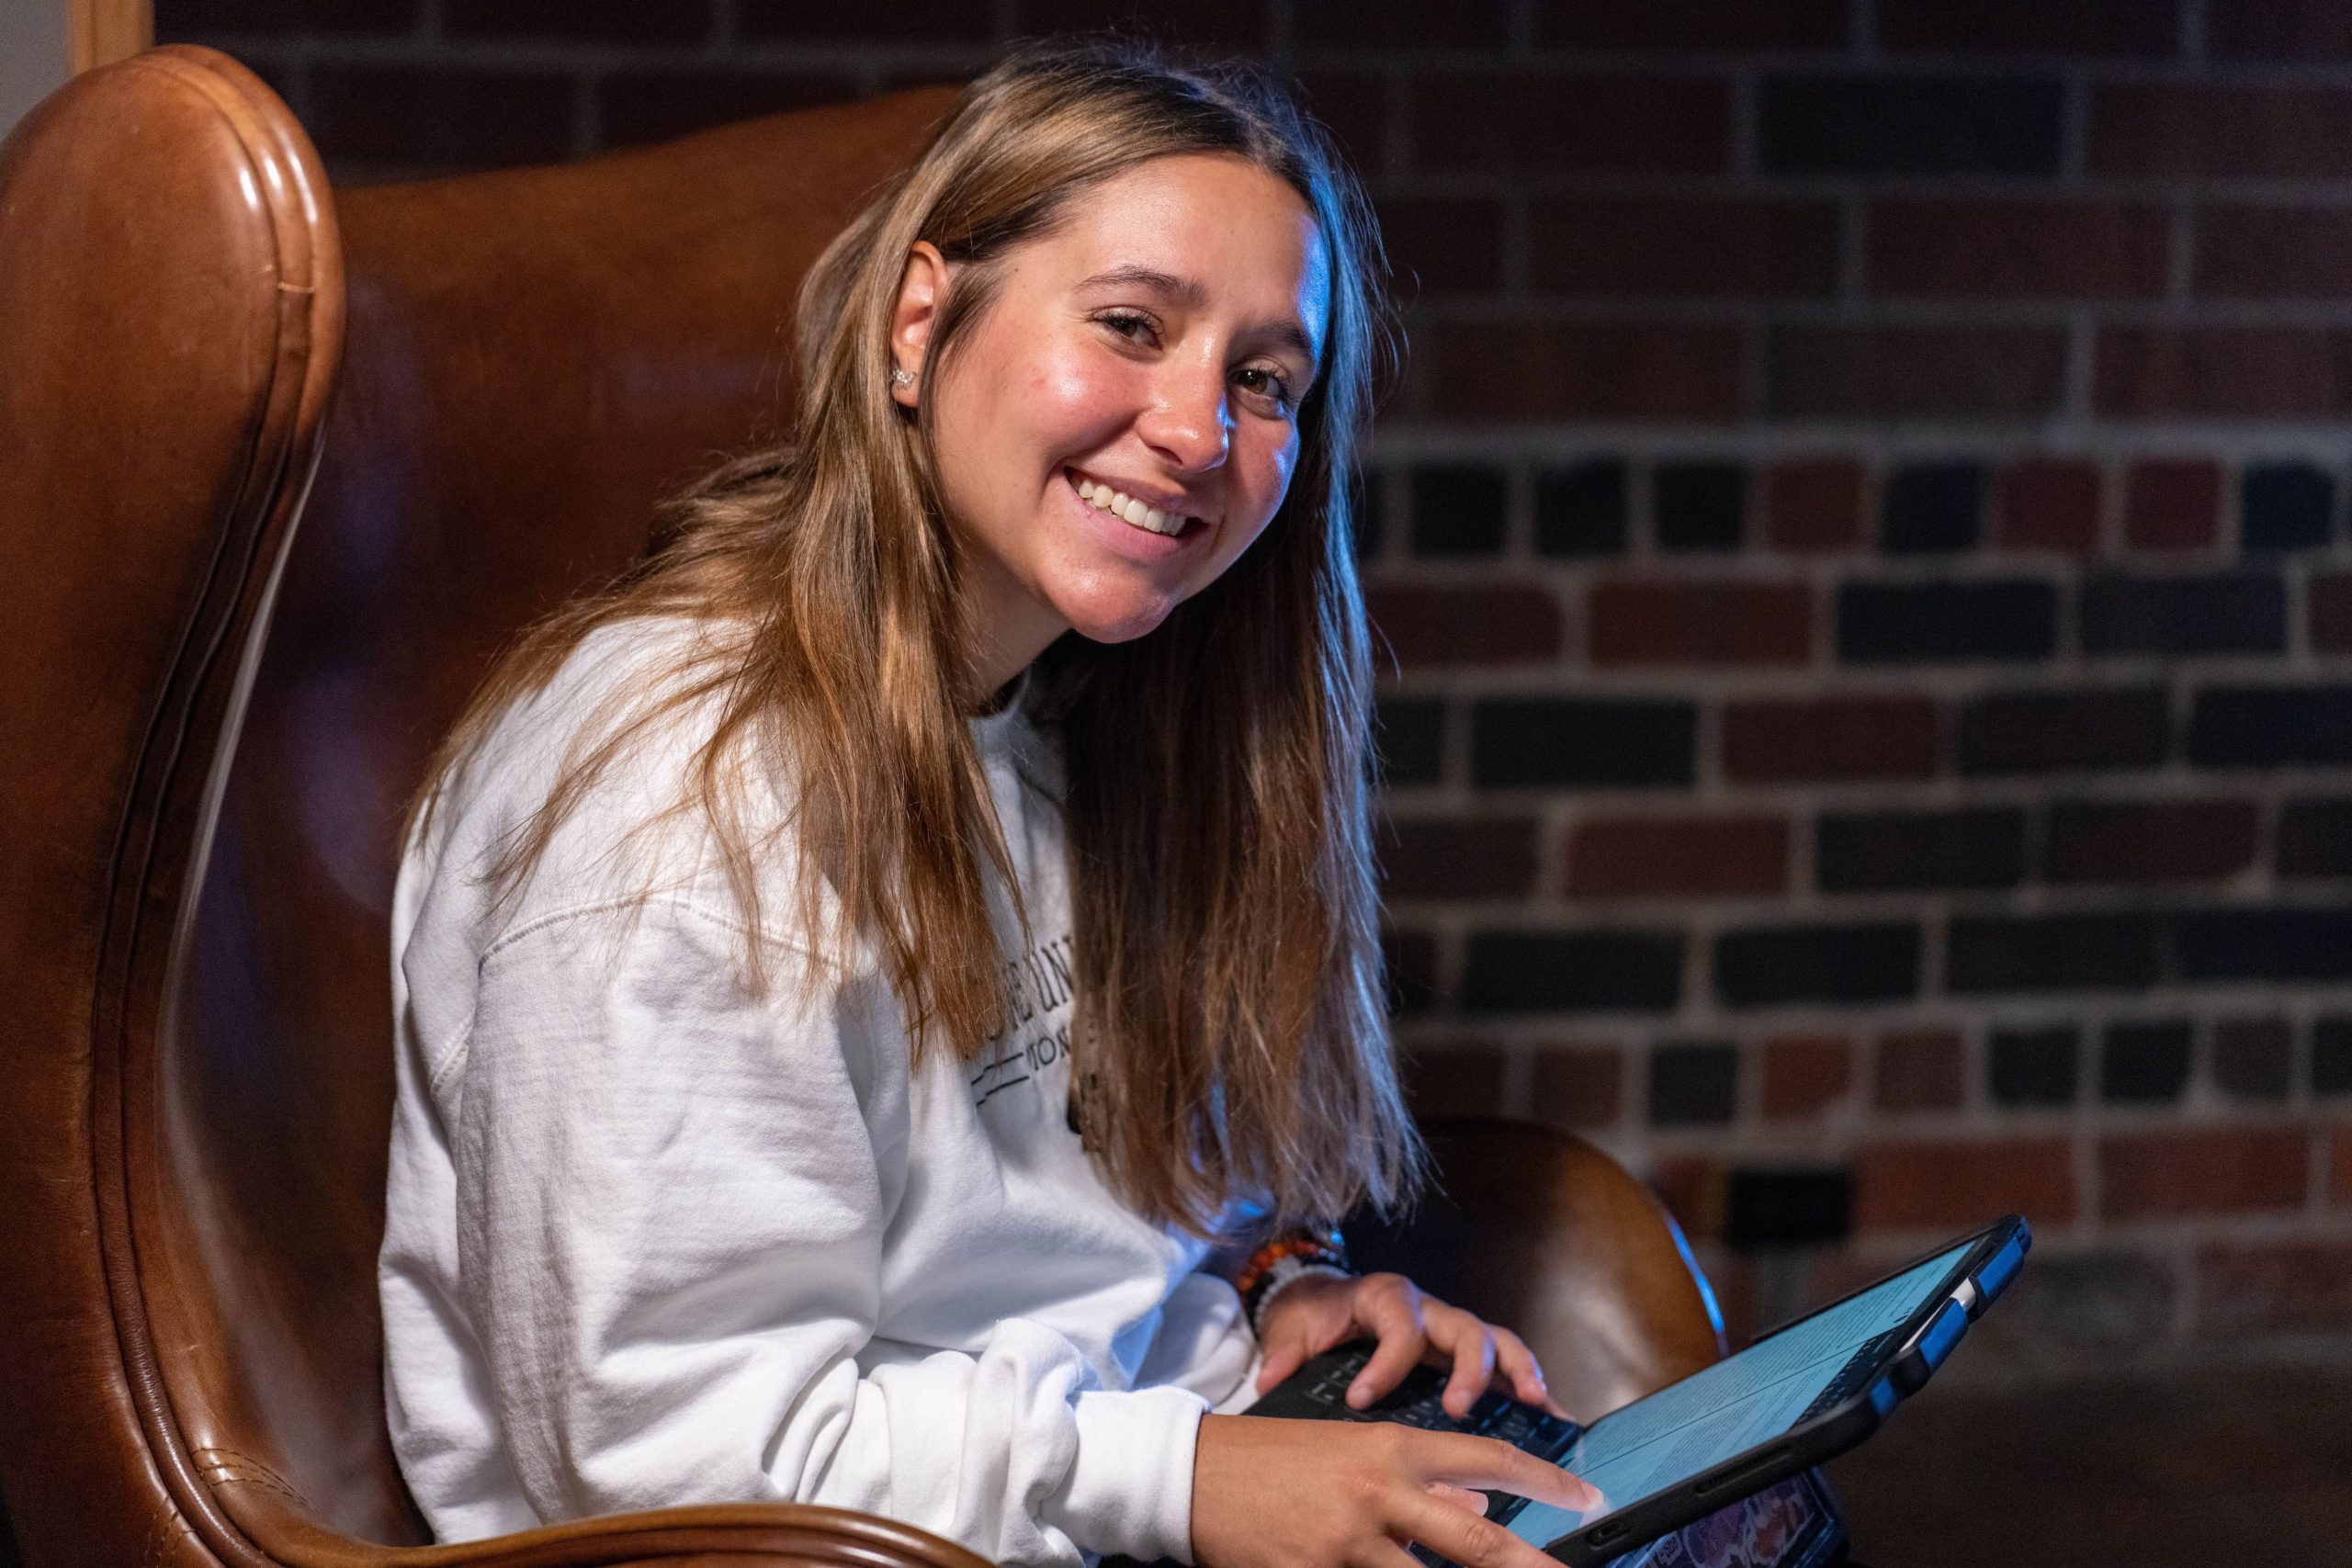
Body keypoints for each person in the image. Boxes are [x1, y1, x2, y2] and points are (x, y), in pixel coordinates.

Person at [378, 39, 1599, 1568]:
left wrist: (1281, 1284)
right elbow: (677, 1478)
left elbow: (1092, 1216)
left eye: (1265, 379)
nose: (1199, 430)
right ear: (919, 321)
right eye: (1132, 325)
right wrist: (1195, 1482)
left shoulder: (1077, 699)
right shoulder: (682, 809)